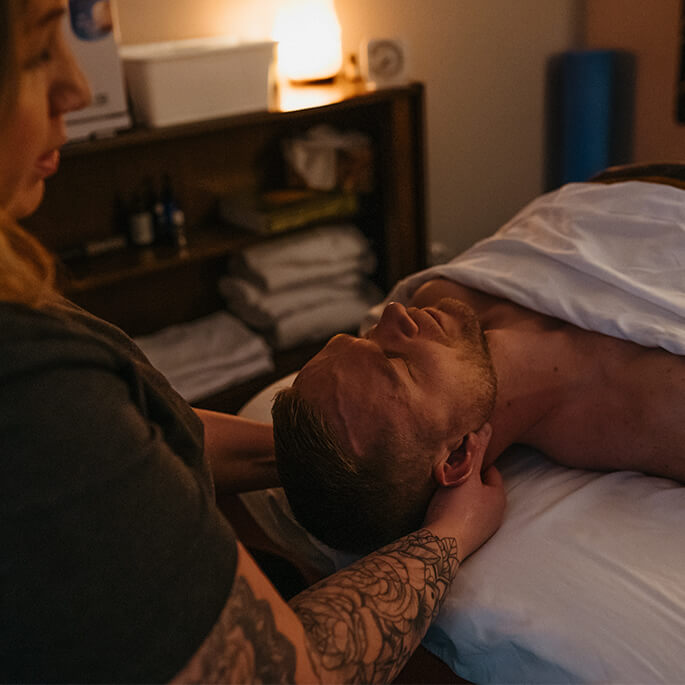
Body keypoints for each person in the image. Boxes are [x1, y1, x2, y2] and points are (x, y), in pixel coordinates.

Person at [0, 1, 506, 682]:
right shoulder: (34, 397)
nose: (79, 87)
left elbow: (142, 436)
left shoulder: (30, 323)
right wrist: (450, 535)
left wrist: (315, 458)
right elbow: (285, 671)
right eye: (36, 53)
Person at [273, 273, 685, 555]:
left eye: (363, 336)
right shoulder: (663, 412)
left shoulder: (440, 295)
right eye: (396, 363)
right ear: (457, 458)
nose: (394, 313)